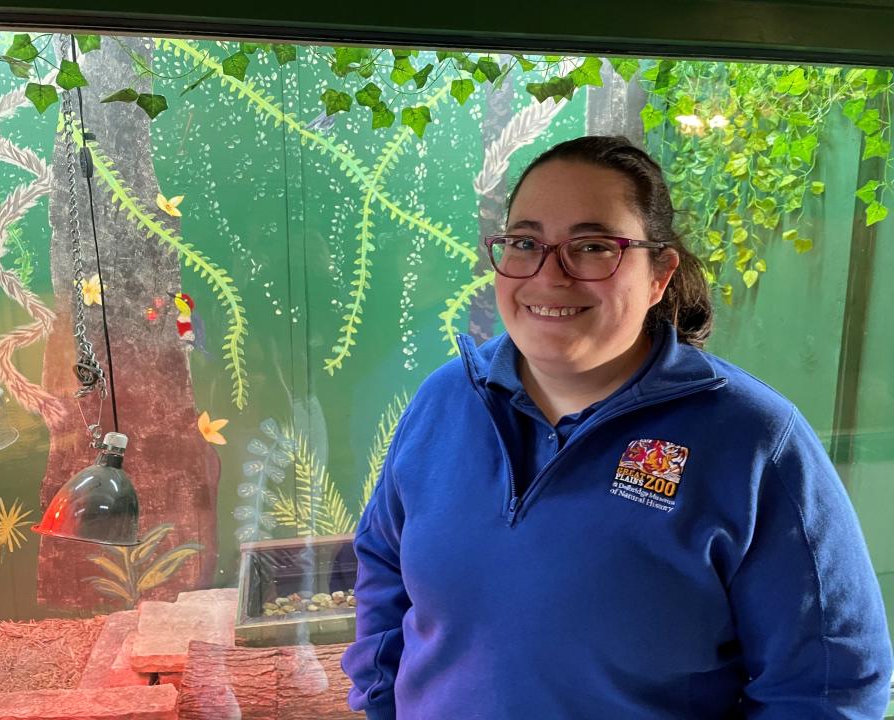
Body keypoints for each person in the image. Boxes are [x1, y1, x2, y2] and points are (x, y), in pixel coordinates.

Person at [340, 135, 893, 719]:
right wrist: (381, 704)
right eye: (526, 242)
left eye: (593, 246)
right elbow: (383, 563)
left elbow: (828, 688)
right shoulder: (445, 400)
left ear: (659, 275)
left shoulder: (752, 439)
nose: (550, 276)